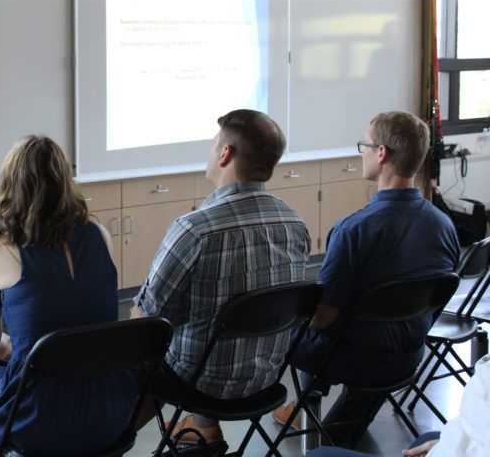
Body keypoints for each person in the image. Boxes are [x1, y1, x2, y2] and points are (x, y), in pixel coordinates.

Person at [273, 111, 460, 447]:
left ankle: (305, 407)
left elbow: (321, 319)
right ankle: (317, 414)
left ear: (382, 153)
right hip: (409, 355)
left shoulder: (353, 230)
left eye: (365, 145)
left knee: (294, 328)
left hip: (357, 358)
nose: (362, 152)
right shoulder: (443, 225)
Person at [130, 109, 312, 442]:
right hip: (267, 381)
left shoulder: (194, 229)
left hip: (200, 383)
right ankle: (202, 428)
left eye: (215, 144)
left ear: (225, 153)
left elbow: (147, 320)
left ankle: (115, 440)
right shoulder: (294, 224)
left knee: (132, 353)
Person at [0, 135, 138, 457]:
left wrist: (5, 345)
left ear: (11, 185)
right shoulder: (100, 236)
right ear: (65, 181)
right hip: (109, 415)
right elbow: (78, 318)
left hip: (38, 421)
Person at [305, 353, 490, 456]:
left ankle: (304, 404)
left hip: (366, 354)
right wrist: (450, 439)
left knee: (319, 455)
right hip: (407, 355)